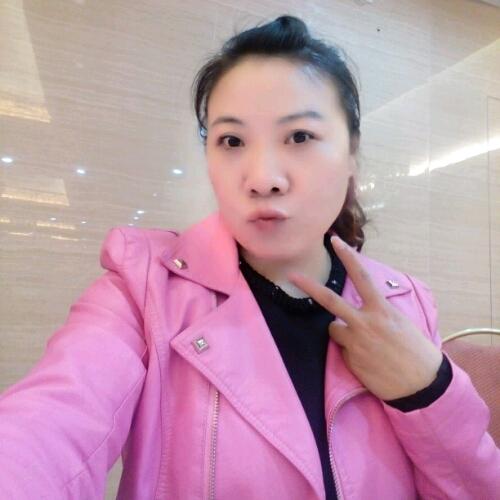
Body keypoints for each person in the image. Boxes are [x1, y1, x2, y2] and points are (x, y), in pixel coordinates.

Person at [1, 14, 499, 500]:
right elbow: (48, 426)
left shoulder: (406, 302)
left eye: (300, 136)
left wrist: (427, 392)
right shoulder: (142, 290)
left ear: (352, 153)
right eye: (232, 140)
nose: (262, 178)